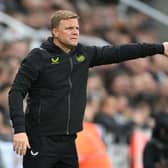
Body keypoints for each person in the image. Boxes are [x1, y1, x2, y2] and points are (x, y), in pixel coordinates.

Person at [8, 10, 168, 168]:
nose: (75, 32)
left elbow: (120, 52)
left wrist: (159, 48)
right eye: (69, 28)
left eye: (77, 28)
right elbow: (16, 92)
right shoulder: (38, 57)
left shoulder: (83, 54)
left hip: (69, 141)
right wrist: (20, 130)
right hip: (41, 139)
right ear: (55, 32)